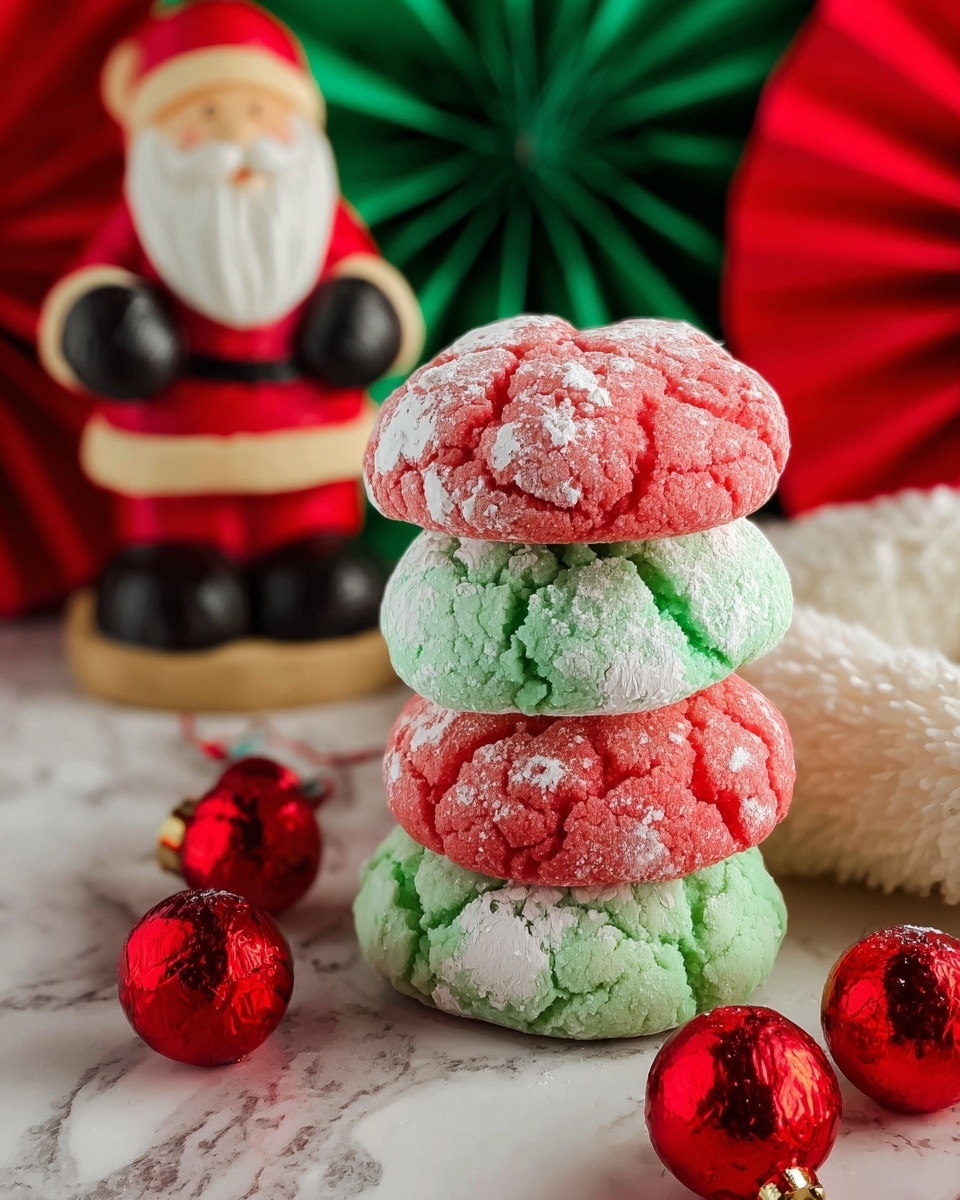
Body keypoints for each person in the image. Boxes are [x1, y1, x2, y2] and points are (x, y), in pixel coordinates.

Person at [38, 0, 423, 652]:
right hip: (173, 440)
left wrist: (366, 311)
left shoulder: (316, 216)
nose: (240, 136)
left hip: (306, 433)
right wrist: (100, 323)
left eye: (258, 111)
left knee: (316, 569)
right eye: (209, 114)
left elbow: (367, 277)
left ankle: (311, 564)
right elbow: (92, 282)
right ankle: (174, 571)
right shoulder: (147, 218)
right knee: (181, 585)